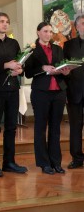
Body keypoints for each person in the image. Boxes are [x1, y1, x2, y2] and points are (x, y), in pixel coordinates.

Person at [0, 12, 27, 177]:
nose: (5, 24)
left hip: (13, 90)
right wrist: (5, 65)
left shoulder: (14, 43)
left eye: (7, 22)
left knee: (11, 127)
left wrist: (20, 70)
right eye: (1, 21)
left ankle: (9, 162)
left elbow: (22, 64)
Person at [25, 22, 69, 174]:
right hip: (41, 92)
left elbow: (61, 66)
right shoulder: (32, 49)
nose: (48, 34)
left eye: (50, 31)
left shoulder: (57, 48)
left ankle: (56, 162)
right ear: (38, 32)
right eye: (45, 31)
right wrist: (42, 68)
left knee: (56, 129)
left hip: (58, 92)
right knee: (40, 128)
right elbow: (28, 73)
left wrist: (65, 70)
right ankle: (44, 163)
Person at [63, 14, 84, 169]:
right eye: (82, 23)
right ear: (76, 27)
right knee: (75, 127)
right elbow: (64, 68)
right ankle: (77, 158)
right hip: (74, 92)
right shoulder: (68, 45)